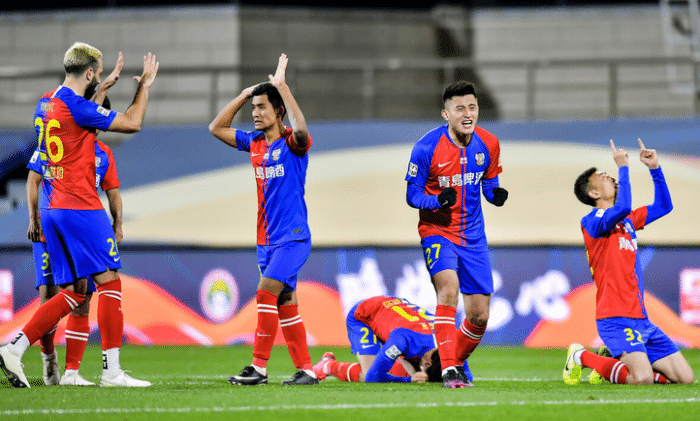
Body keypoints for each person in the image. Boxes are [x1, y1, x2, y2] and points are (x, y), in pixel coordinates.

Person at [0, 42, 158, 388]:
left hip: (53, 209)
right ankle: (111, 372)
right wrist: (144, 86)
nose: (99, 77)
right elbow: (132, 123)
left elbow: (74, 123)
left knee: (73, 292)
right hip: (80, 206)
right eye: (97, 73)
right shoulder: (77, 107)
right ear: (88, 72)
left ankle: (15, 346)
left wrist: (101, 90)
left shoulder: (47, 102)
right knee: (110, 282)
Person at [209, 54, 317, 386]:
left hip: (293, 238)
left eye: (262, 107)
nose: (255, 113)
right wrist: (244, 95)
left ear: (278, 110)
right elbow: (216, 128)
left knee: (265, 293)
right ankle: (307, 370)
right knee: (286, 303)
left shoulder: (293, 144)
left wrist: (283, 88)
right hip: (265, 241)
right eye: (253, 108)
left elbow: (302, 130)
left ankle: (258, 368)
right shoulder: (254, 143)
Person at [565, 139, 695, 385]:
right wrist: (623, 167)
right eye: (603, 176)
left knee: (685, 378)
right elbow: (623, 206)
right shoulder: (592, 222)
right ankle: (581, 355)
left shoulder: (627, 222)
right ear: (593, 193)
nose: (610, 177)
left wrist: (654, 169)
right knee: (641, 378)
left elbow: (664, 206)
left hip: (641, 318)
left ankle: (616, 361)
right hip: (614, 318)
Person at [404, 81, 507, 388]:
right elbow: (412, 195)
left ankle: (449, 363)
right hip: (437, 232)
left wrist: (495, 194)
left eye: (472, 107)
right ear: (445, 114)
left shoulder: (489, 143)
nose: (467, 114)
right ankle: (449, 369)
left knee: (479, 316)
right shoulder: (426, 148)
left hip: (473, 237)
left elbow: (489, 183)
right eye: (459, 108)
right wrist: (437, 201)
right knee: (448, 289)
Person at [29, 93, 123, 387]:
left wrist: (117, 225)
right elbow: (33, 179)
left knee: (81, 297)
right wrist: (33, 219)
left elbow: (113, 192)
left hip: (80, 230)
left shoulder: (103, 154)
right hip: (50, 228)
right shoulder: (56, 142)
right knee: (50, 295)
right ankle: (46, 357)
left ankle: (71, 371)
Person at [312, 296, 459, 384]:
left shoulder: (451, 340)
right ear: (427, 363)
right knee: (368, 373)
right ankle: (327, 365)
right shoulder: (401, 340)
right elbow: (372, 377)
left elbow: (465, 372)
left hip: (394, 312)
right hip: (364, 315)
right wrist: (409, 380)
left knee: (416, 373)